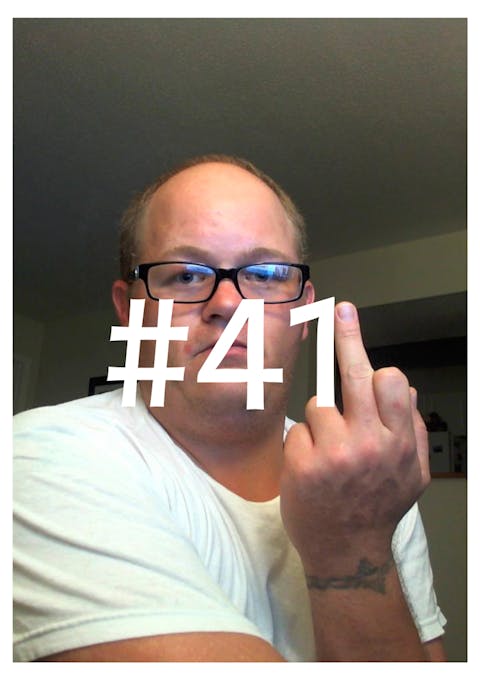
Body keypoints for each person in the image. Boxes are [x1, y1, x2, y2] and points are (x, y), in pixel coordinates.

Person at [13, 154, 447, 662]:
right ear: (130, 310)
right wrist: (349, 549)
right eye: (184, 275)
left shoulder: (365, 482)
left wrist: (361, 530)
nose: (227, 303)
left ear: (303, 310)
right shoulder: (39, 456)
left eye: (265, 273)